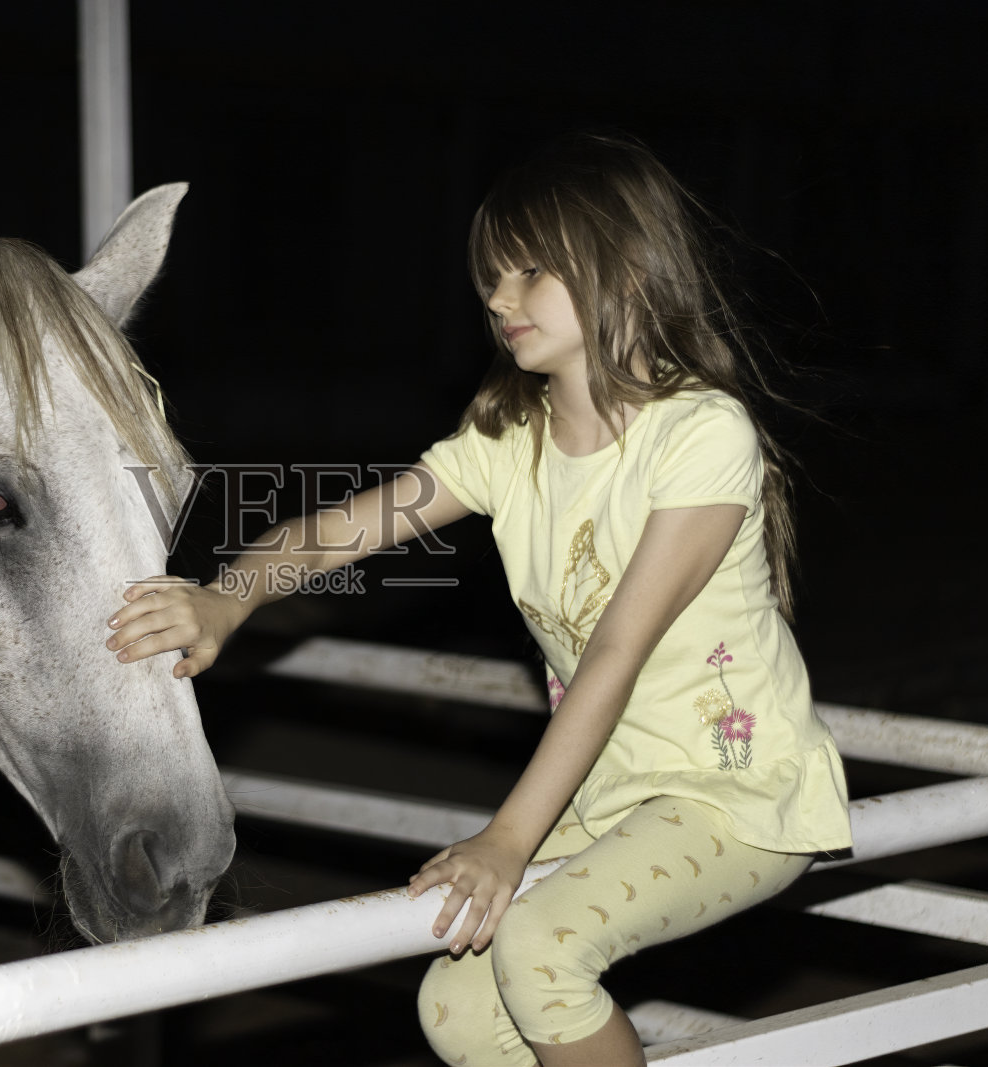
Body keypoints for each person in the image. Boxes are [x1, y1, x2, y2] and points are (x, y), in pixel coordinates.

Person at [103, 132, 852, 1067]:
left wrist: (505, 839)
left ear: (627, 268)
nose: (498, 298)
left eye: (530, 271)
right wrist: (225, 600)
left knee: (541, 950)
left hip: (733, 790)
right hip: (610, 790)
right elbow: (336, 531)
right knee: (458, 1007)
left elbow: (616, 651)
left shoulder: (702, 434)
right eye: (491, 276)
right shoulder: (509, 443)